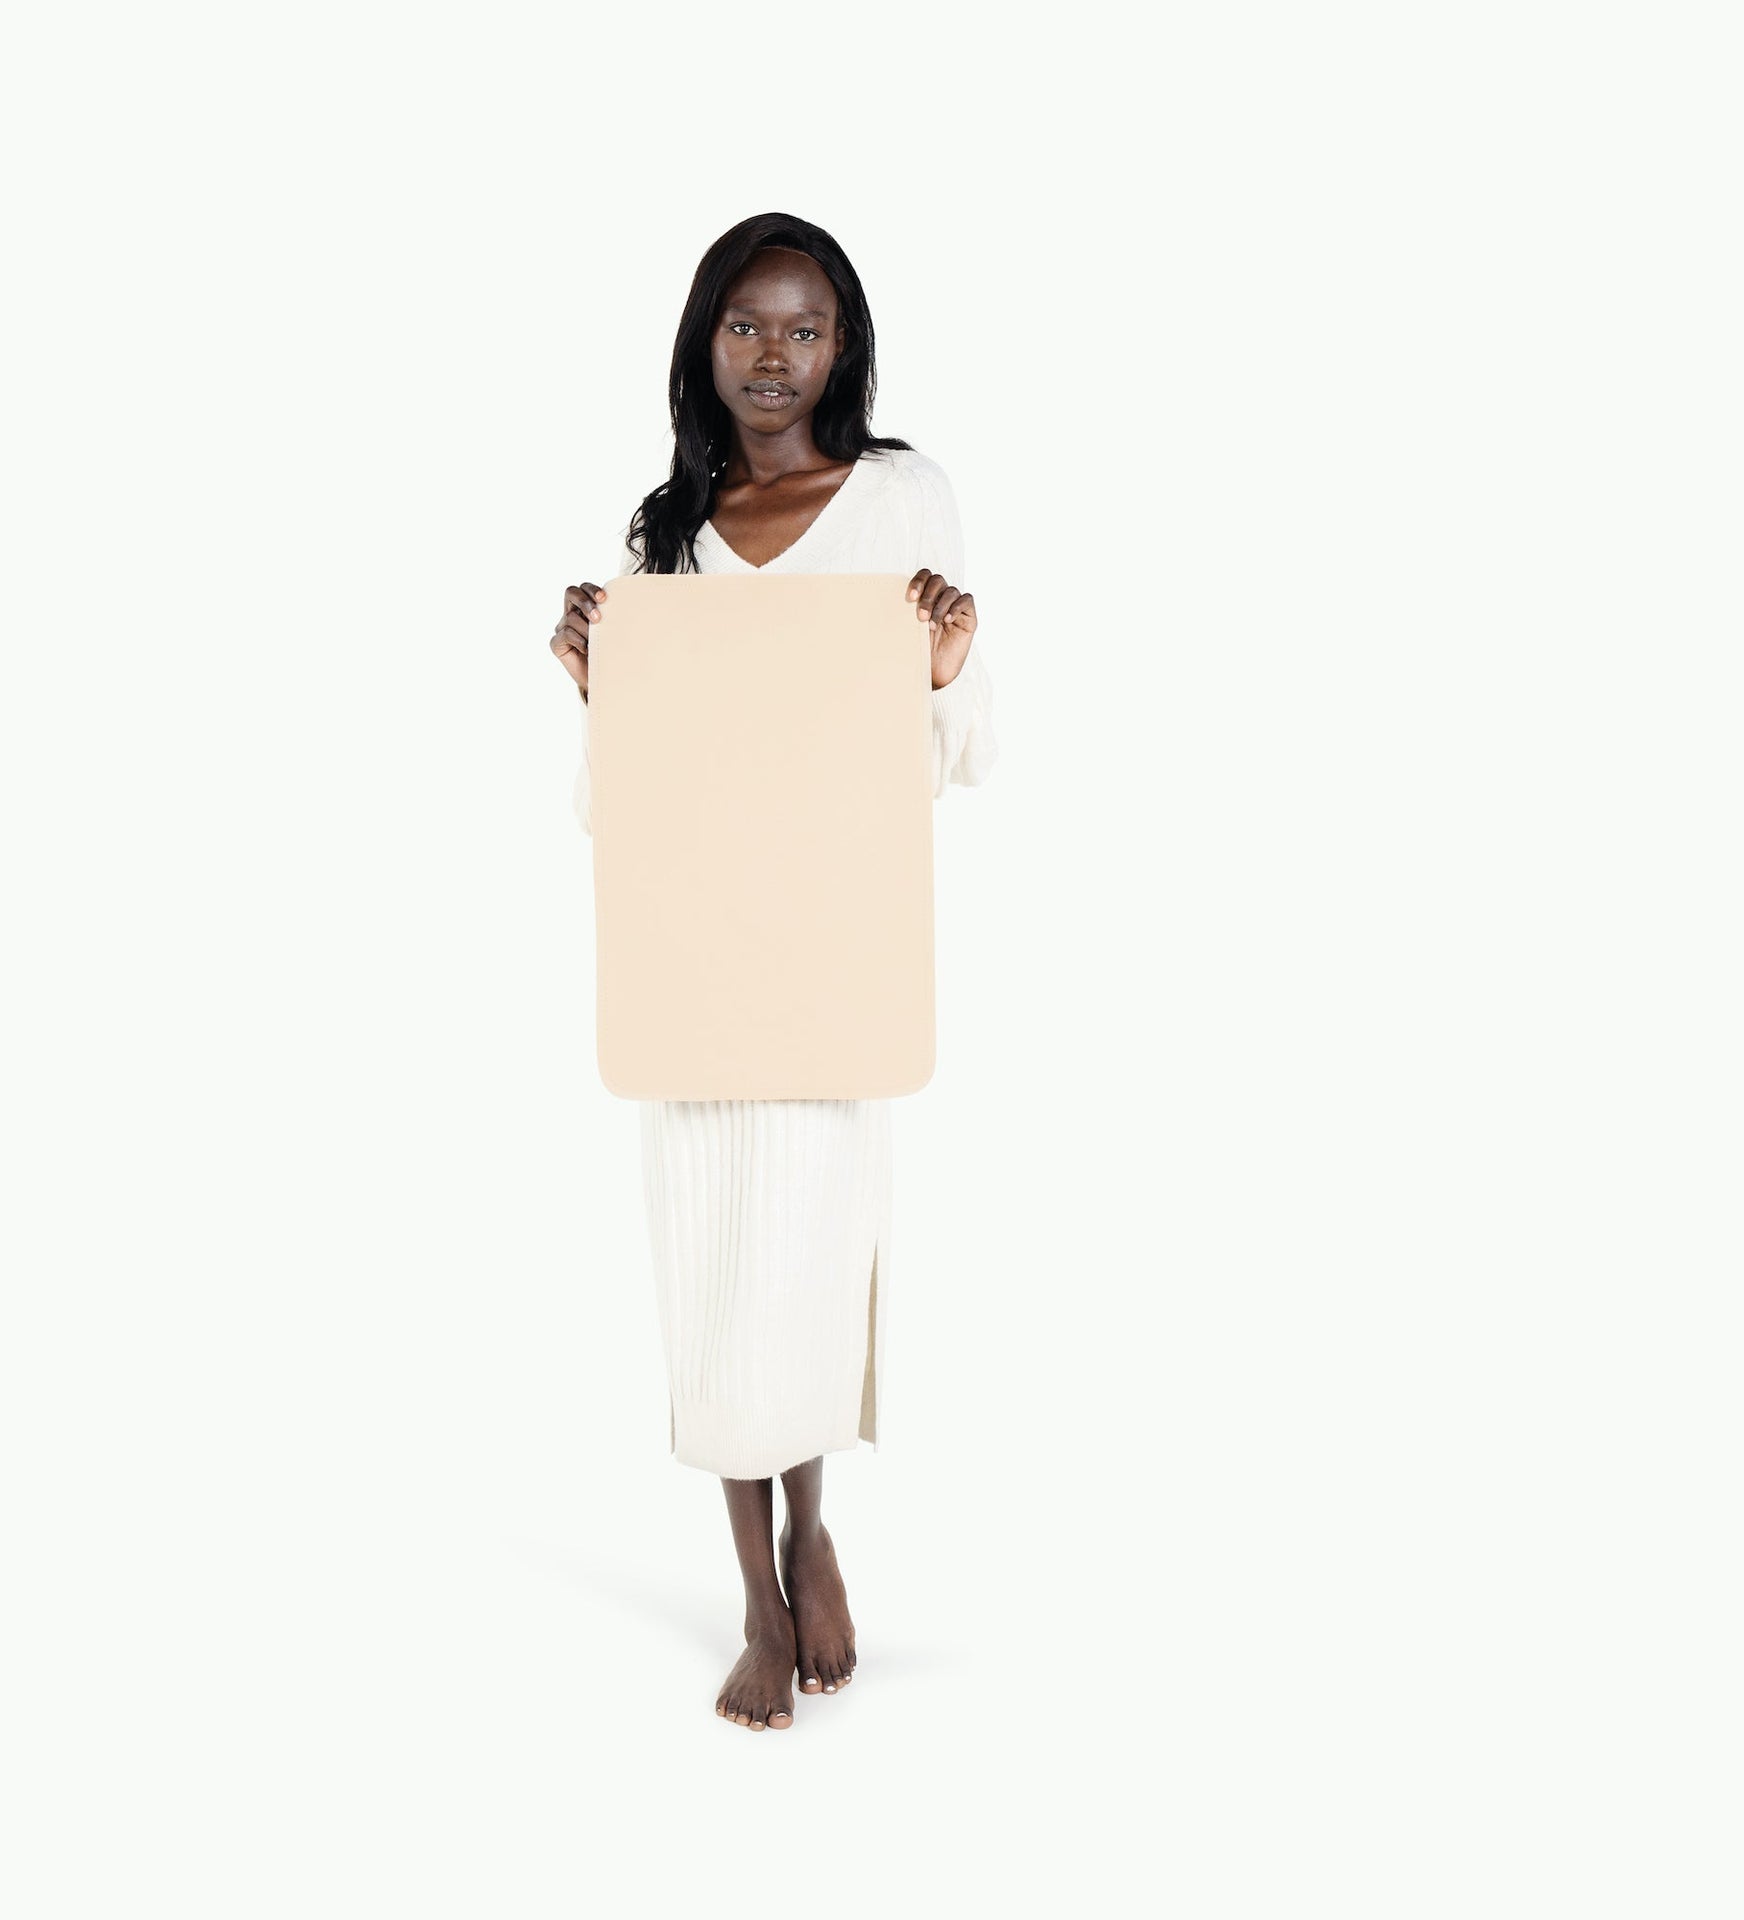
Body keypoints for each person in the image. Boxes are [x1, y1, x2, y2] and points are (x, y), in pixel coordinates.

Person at [549, 213, 998, 1731]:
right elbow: (622, 806)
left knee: (799, 1278)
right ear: (705, 337)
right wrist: (598, 685)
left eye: (805, 329)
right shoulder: (665, 534)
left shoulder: (902, 501)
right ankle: (756, 1585)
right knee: (712, 1283)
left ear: (843, 347)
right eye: (745, 325)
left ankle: (814, 1532)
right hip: (693, 960)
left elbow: (959, 752)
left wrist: (944, 665)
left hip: (830, 956)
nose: (773, 357)